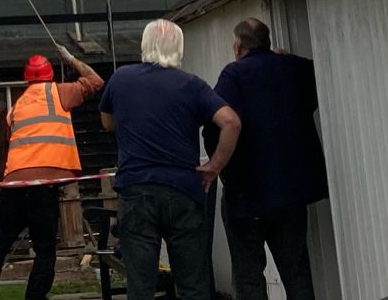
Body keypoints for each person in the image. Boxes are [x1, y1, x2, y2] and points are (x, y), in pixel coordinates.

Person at [97, 19, 240, 300]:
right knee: (192, 283)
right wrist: (214, 167)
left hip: (136, 190)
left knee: (140, 284)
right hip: (183, 190)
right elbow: (231, 122)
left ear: (144, 44)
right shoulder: (192, 85)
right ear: (179, 47)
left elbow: (107, 123)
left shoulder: (121, 78)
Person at [0, 44, 104, 300]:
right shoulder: (60, 92)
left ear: (27, 78)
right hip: (43, 188)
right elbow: (95, 81)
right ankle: (35, 297)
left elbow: (11, 140)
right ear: (50, 75)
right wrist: (71, 58)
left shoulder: (18, 106)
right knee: (45, 249)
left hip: (14, 186)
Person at [211, 19, 328, 300]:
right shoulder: (297, 69)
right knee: (296, 270)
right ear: (268, 42)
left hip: (246, 192)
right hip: (292, 189)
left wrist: (218, 166)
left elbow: (216, 124)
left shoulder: (233, 75)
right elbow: (313, 88)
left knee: (249, 274)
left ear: (238, 46)